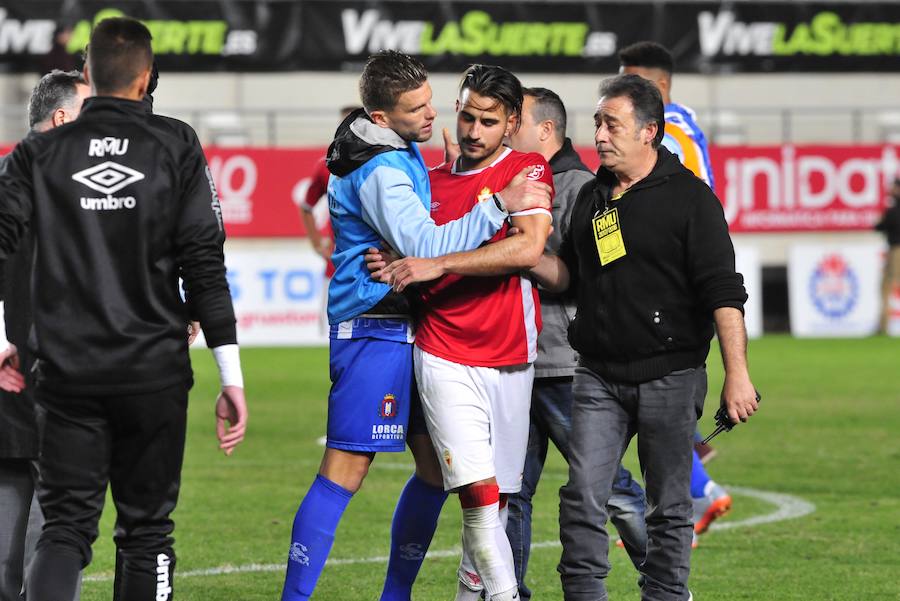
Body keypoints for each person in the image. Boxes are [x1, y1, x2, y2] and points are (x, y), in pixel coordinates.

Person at [280, 51, 551, 601]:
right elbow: (425, 246)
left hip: (414, 329)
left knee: (434, 472)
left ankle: (395, 595)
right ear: (381, 116)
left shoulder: (399, 151)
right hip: (374, 326)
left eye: (432, 102)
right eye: (416, 108)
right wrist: (496, 203)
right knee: (345, 470)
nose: (433, 116)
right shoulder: (380, 166)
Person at [0, 17, 247, 600]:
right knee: (147, 533)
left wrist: (9, 338)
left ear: (86, 73)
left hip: (66, 375)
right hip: (153, 373)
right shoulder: (176, 144)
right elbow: (205, 265)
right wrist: (230, 375)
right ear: (145, 78)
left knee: (64, 531)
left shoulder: (38, 154)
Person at [530, 74, 758, 601]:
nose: (600, 135)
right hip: (597, 376)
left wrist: (738, 376)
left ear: (650, 131)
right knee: (582, 498)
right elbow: (573, 277)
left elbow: (724, 293)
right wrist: (523, 255)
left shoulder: (691, 201)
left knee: (669, 507)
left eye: (612, 124)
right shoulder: (592, 197)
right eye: (597, 123)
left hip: (671, 377)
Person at [503, 87, 648, 599]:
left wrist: (513, 248)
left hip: (564, 364)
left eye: (512, 119)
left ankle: (666, 578)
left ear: (545, 130)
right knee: (511, 494)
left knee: (608, 487)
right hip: (514, 363)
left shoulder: (584, 187)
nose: (502, 126)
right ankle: (509, 592)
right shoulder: (513, 182)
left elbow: (595, 274)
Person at [619, 41, 733, 536]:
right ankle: (697, 490)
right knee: (657, 396)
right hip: (685, 278)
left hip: (673, 282)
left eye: (632, 82)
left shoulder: (665, 135)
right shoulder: (685, 120)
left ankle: (692, 499)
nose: (622, 91)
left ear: (658, 87)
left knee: (649, 390)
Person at [0, 69, 89, 601]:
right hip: (52, 367)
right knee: (60, 514)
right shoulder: (68, 183)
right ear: (61, 118)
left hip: (10, 369)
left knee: (11, 485)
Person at [296, 106, 361, 334]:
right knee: (329, 337)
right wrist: (317, 243)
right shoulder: (326, 166)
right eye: (343, 125)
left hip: (369, 269)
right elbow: (306, 207)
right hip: (336, 267)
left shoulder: (380, 163)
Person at [876, 177, 900, 334]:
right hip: (894, 250)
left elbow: (879, 226)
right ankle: (883, 326)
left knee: (888, 287)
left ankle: (883, 327)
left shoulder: (893, 211)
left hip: (896, 250)